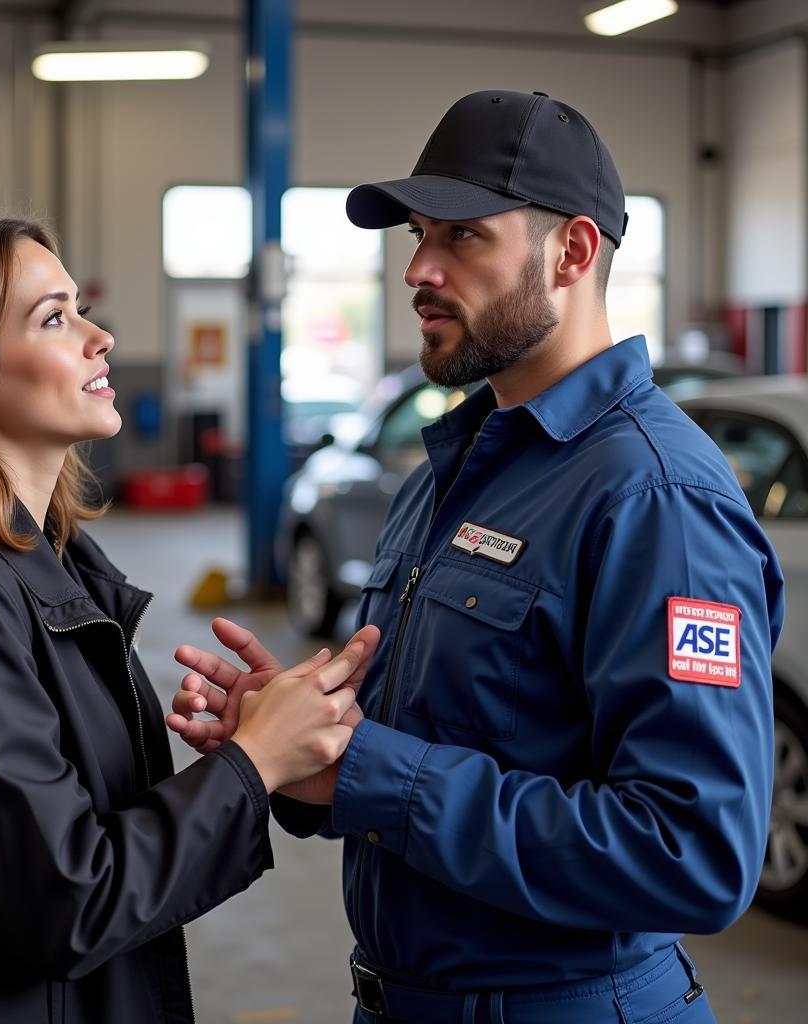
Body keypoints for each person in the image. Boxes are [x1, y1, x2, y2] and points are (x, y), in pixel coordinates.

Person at [168, 90, 785, 1024]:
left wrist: (371, 768)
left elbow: (691, 853)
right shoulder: (449, 475)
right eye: (419, 234)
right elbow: (446, 745)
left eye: (462, 237)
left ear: (572, 252)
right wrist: (304, 738)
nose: (418, 266)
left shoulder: (655, 499)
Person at [0, 217, 380, 1024]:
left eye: (79, 308)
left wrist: (248, 742)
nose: (102, 337)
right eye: (54, 318)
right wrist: (253, 765)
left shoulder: (53, 557)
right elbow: (67, 900)